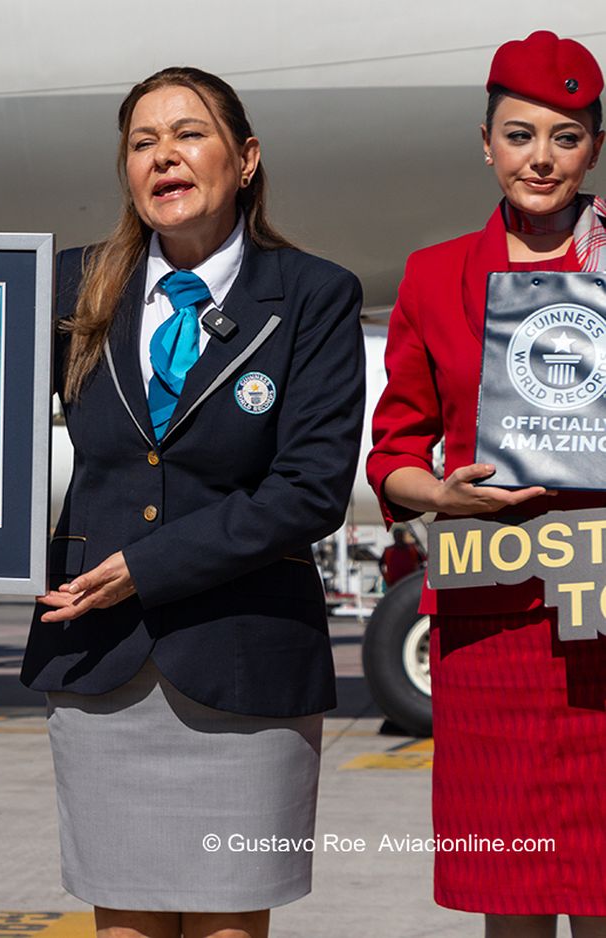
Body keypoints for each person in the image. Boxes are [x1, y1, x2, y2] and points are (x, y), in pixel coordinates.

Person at [0, 67, 364, 938]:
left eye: (189, 134)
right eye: (142, 143)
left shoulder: (313, 295)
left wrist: (145, 568)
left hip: (241, 667)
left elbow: (310, 490)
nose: (165, 156)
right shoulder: (72, 287)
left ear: (245, 159)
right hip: (103, 666)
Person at [367, 30, 606, 938]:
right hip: (492, 614)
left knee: (602, 889)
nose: (540, 159)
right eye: (519, 135)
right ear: (485, 141)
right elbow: (393, 449)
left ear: (595, 147)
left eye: (565, 135)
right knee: (507, 896)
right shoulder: (434, 279)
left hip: (603, 608)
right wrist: (444, 495)